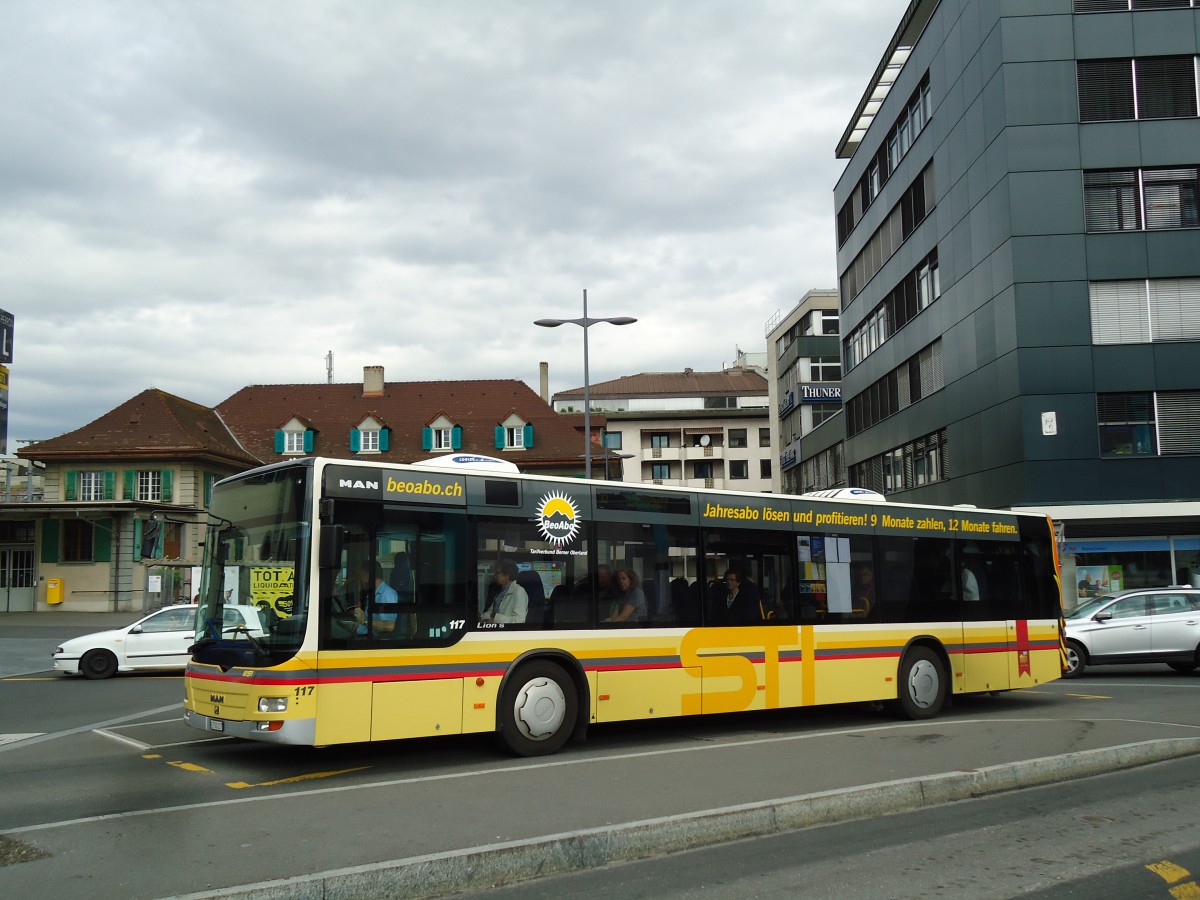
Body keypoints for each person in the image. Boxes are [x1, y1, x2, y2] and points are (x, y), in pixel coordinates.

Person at [348, 563, 399, 635]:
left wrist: (364, 620)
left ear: (367, 576)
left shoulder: (387, 594)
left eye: (361, 577)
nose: (361, 581)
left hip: (372, 640)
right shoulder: (373, 593)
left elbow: (389, 626)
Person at [482, 560, 529, 625]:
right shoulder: (500, 590)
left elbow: (519, 621)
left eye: (497, 572)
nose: (494, 575)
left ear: (507, 575)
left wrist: (496, 620)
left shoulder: (519, 592)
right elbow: (491, 611)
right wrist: (485, 618)